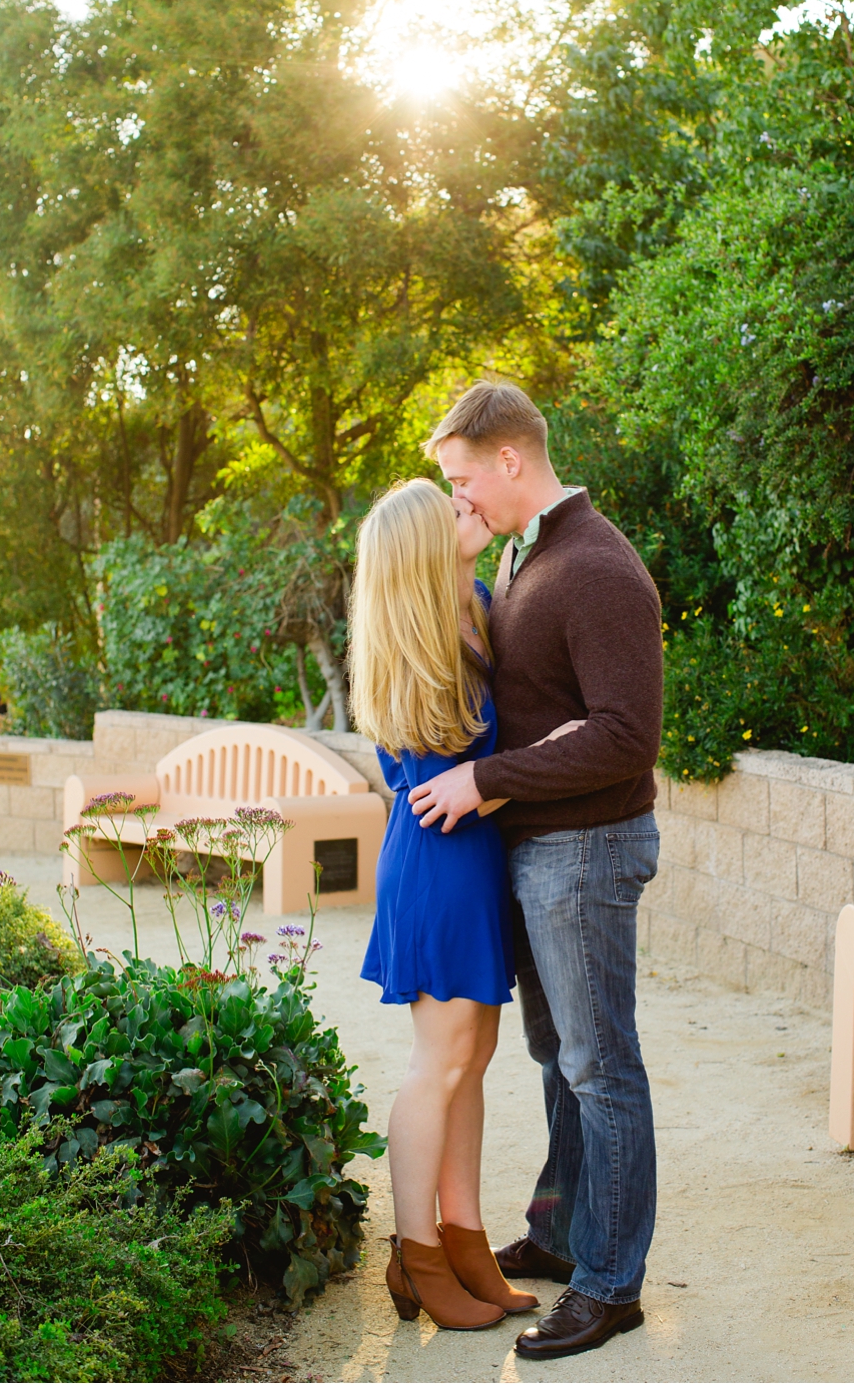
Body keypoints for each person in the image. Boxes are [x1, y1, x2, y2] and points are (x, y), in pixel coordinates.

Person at [405, 380, 667, 1362]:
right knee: (558, 1060)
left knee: (602, 1066)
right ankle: (563, 1235)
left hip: (586, 849)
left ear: (508, 459)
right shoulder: (527, 555)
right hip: (542, 849)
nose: (457, 497)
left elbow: (623, 737)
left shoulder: (594, 566)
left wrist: (486, 777)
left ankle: (611, 1283)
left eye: (462, 477)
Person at [353, 478, 544, 1333]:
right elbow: (445, 785)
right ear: (423, 545)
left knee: (473, 1054)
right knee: (439, 1061)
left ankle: (465, 1240)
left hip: (474, 860)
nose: (468, 507)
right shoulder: (413, 635)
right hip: (437, 859)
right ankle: (415, 1251)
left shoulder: (472, 601)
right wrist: (548, 763)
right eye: (451, 510)